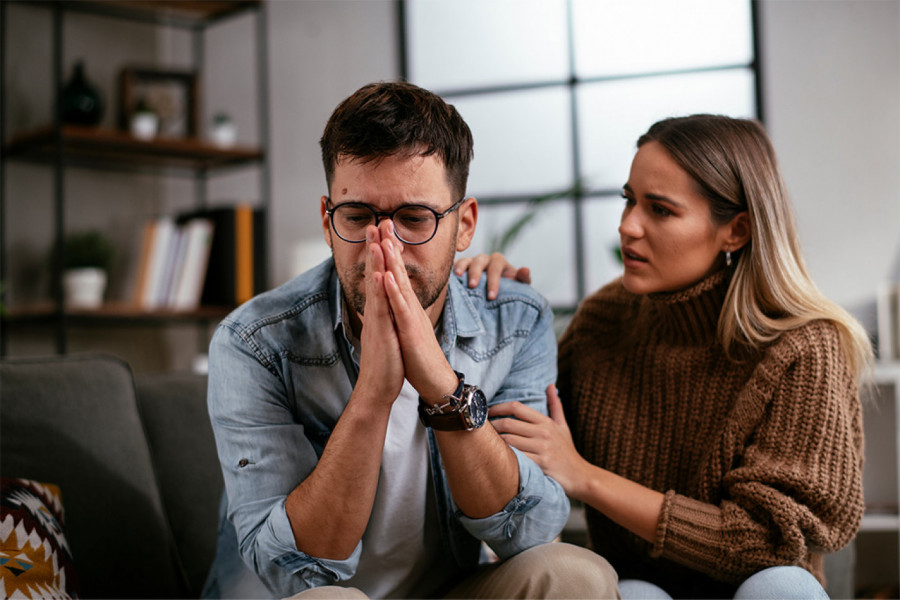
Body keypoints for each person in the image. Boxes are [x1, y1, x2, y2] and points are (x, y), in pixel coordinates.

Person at [203, 81, 619, 599]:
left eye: (414, 218)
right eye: (358, 217)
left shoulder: (512, 320)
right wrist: (375, 394)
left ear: (463, 225)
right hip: (307, 595)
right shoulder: (254, 341)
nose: (387, 249)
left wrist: (442, 387)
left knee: (576, 576)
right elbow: (292, 569)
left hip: (445, 591)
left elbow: (526, 533)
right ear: (328, 222)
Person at [456, 114, 870, 599]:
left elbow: (771, 540)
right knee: (634, 595)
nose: (628, 226)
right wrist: (499, 307)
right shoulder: (602, 322)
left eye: (661, 210)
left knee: (784, 587)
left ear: (735, 231)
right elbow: (516, 439)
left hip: (761, 585)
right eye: (629, 200)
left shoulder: (804, 347)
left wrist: (586, 477)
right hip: (640, 587)